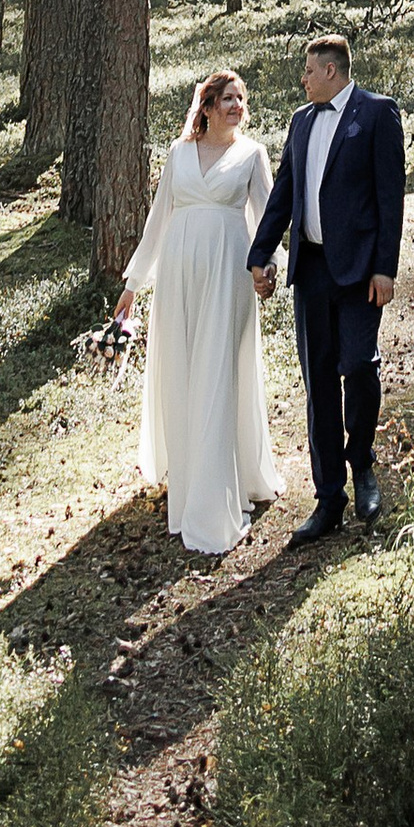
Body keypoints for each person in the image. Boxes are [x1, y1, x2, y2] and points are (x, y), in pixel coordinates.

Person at [114, 70, 283, 557]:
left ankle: (217, 499)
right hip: (178, 283)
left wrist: (267, 269)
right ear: (206, 107)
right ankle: (189, 486)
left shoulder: (252, 155)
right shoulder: (178, 154)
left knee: (219, 375)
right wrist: (133, 284)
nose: (237, 106)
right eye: (228, 99)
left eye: (241, 99)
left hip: (229, 280)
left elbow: (267, 220)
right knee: (185, 374)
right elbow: (158, 218)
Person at [248, 29, 404, 542]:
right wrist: (261, 253)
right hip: (311, 270)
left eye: (309, 70)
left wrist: (386, 267)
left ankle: (361, 463)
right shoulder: (300, 121)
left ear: (331, 71)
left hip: (360, 272)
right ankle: (328, 497)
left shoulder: (377, 113)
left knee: (359, 365)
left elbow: (390, 196)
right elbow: (285, 192)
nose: (303, 78)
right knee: (317, 384)